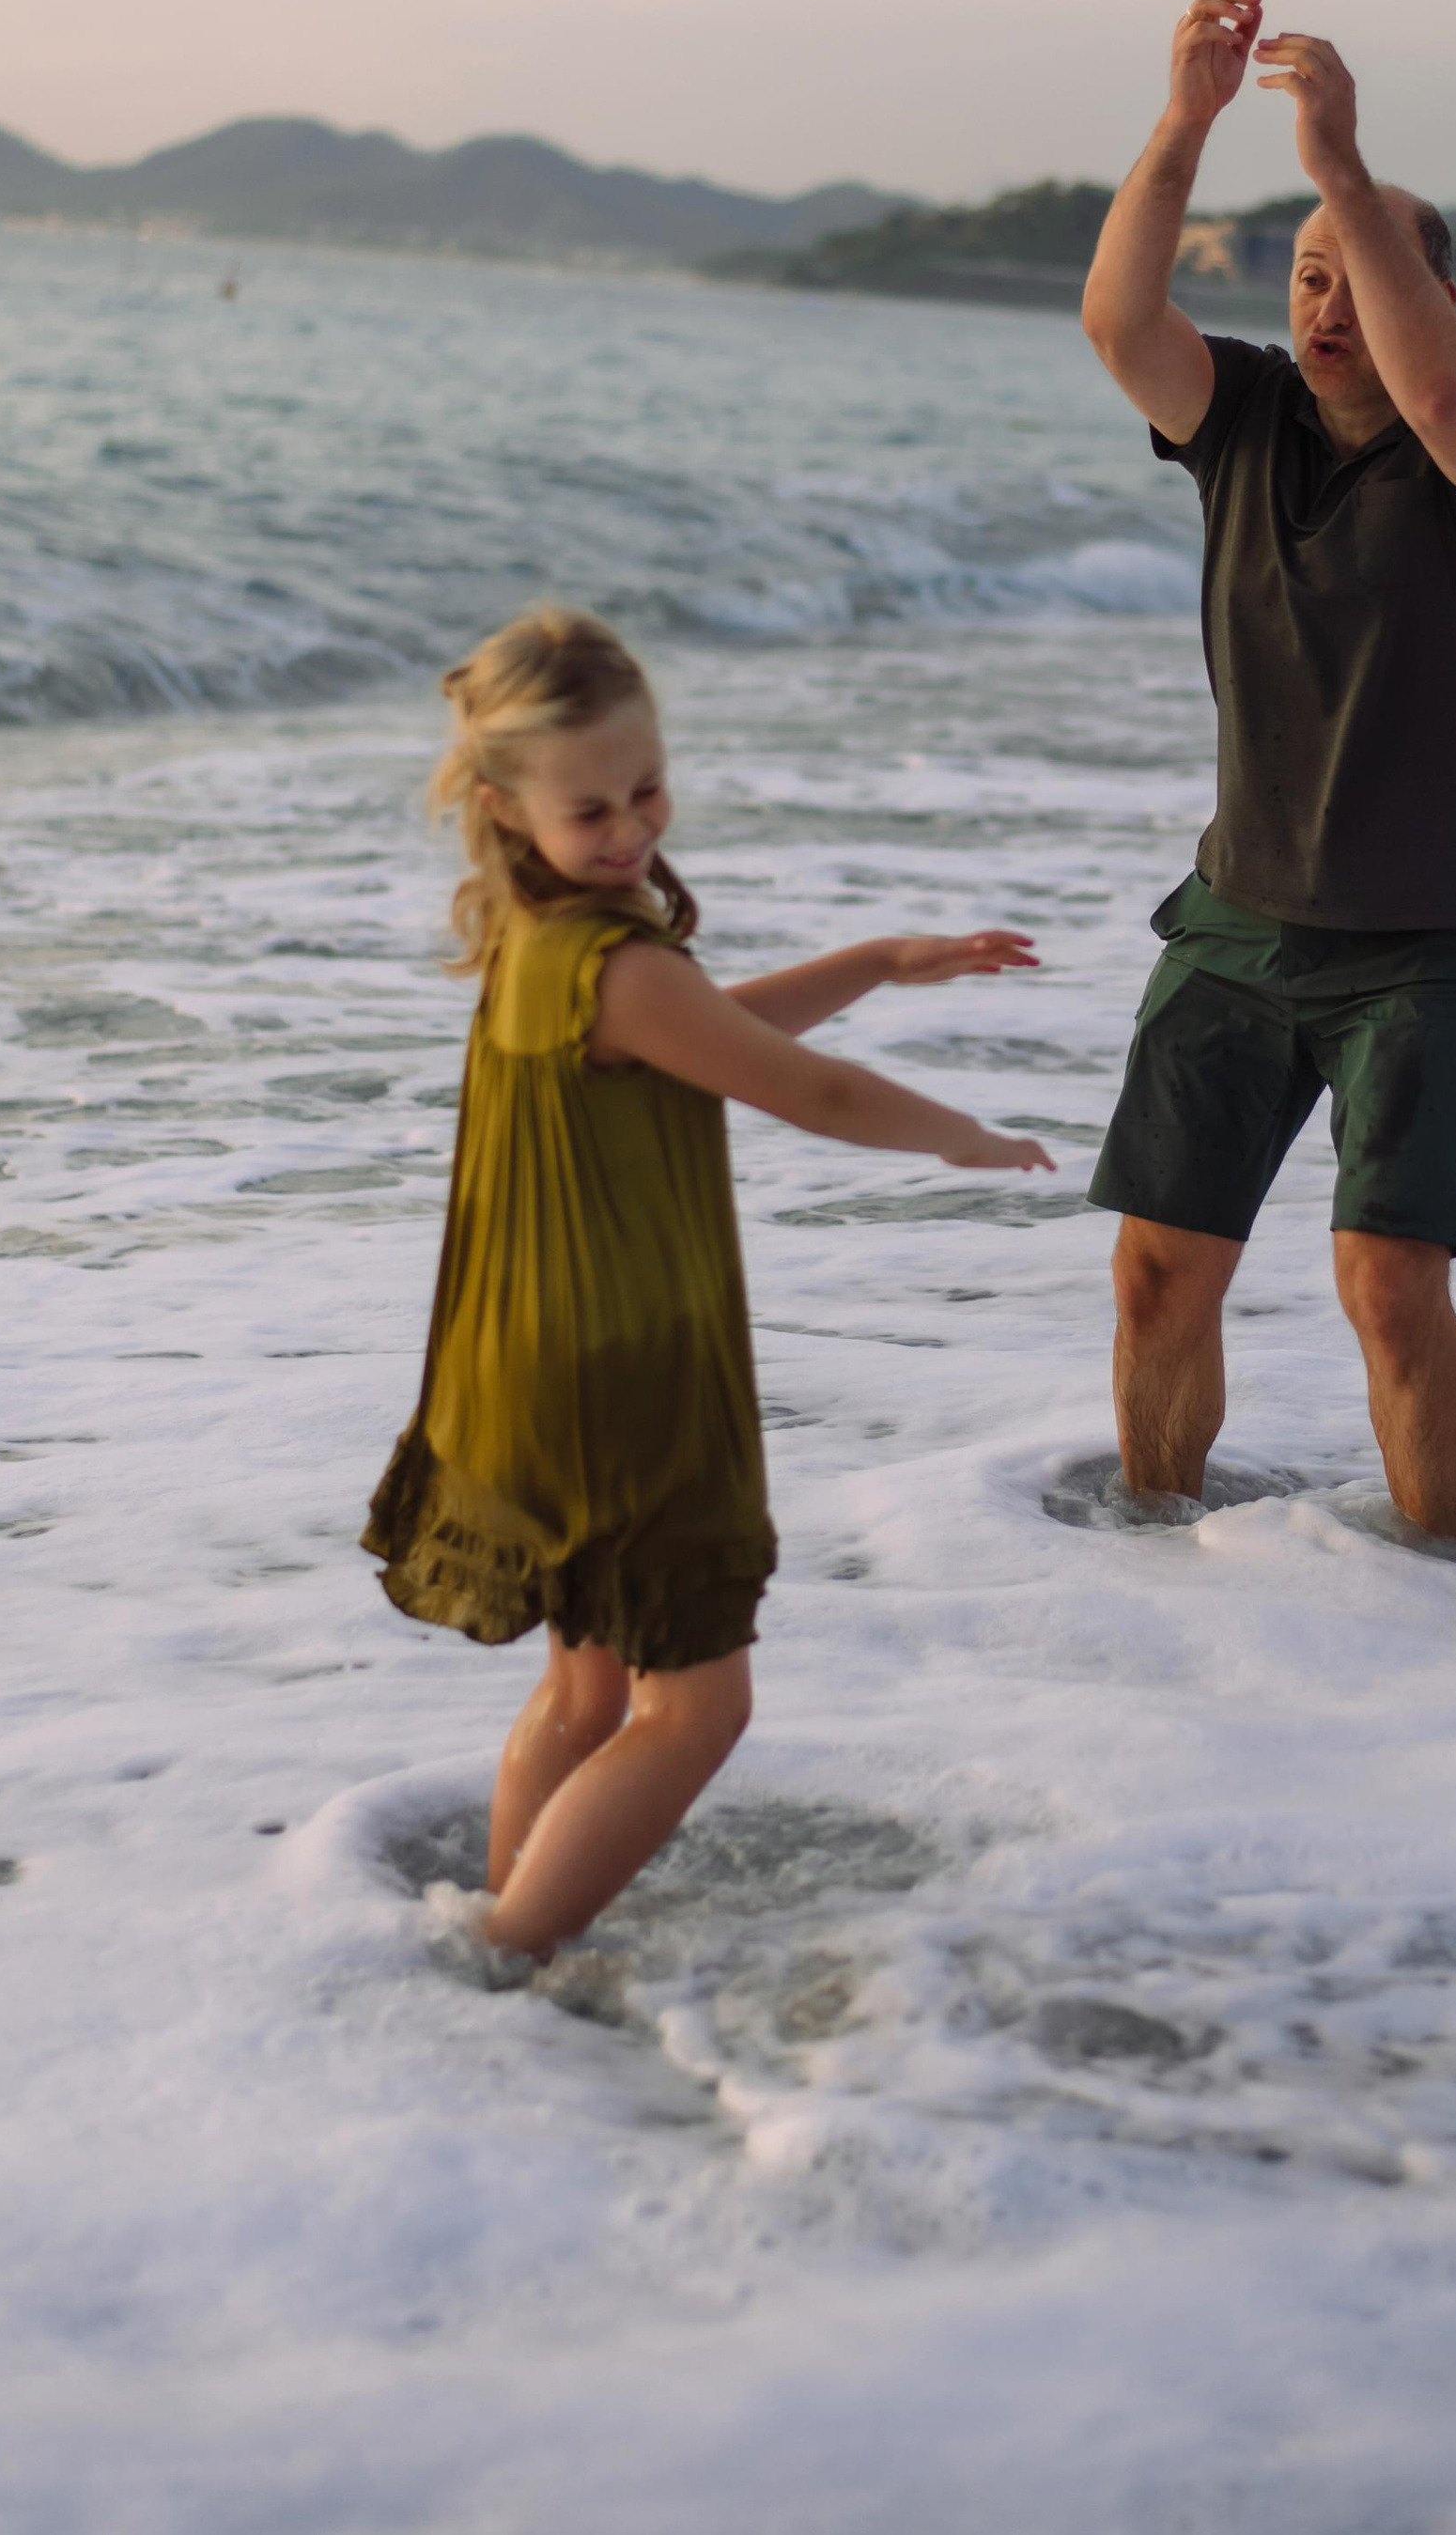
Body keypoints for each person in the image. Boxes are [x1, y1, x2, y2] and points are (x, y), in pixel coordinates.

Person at [362, 606, 1050, 1960]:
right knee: (698, 1708)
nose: (630, 827)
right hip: (624, 1379)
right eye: (592, 808)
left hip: (529, 1365)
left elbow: (707, 1029)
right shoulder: (615, 962)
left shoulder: (539, 939)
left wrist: (878, 961)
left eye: (647, 789)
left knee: (587, 1689)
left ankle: (503, 1928)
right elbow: (809, 1090)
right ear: (505, 806)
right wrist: (959, 1135)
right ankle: (509, 1951)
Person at [1080, 0, 1456, 1545]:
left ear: (1434, 295)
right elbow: (1118, 322)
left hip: (1430, 934)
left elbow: (1438, 392)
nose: (1325, 302)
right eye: (1305, 273)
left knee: (1388, 1284)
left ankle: (1446, 1580)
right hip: (1243, 912)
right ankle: (1154, 1555)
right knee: (1156, 1267)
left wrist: (1343, 170)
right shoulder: (1242, 417)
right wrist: (1187, 118)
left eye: (1356, 270)